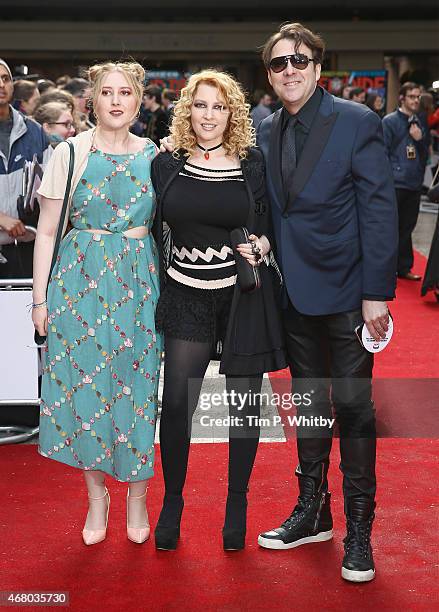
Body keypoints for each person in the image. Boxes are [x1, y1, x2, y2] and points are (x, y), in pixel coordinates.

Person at [255, 23, 397, 583]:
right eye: (278, 63)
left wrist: (376, 295)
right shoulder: (264, 130)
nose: (289, 69)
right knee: (310, 407)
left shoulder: (357, 122)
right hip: (292, 294)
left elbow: (379, 209)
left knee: (356, 410)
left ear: (318, 68)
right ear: (269, 75)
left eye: (299, 60)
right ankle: (313, 512)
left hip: (347, 294)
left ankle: (360, 531)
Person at [151, 69, 286, 552]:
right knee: (177, 404)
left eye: (220, 106)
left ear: (234, 114)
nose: (210, 115)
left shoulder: (252, 163)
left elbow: (269, 221)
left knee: (243, 407)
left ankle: (237, 505)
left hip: (241, 296)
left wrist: (264, 243)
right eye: (201, 105)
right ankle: (171, 502)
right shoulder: (166, 162)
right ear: (188, 109)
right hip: (186, 292)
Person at [32, 61, 162, 546]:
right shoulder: (69, 153)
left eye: (124, 92)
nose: (115, 101)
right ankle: (96, 499)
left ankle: (136, 496)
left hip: (138, 286)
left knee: (138, 391)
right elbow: (46, 232)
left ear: (137, 99)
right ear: (91, 100)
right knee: (84, 393)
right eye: (105, 92)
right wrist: (39, 301)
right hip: (78, 284)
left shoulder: (155, 154)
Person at [0, 59, 51, 279]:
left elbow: (51, 189)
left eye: (5, 78)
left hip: (28, 249)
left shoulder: (34, 132)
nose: (1, 85)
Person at [382, 82, 430, 280]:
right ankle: (388, 267)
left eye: (418, 97)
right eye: (412, 96)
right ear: (402, 98)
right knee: (391, 226)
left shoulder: (419, 121)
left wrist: (419, 139)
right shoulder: (390, 121)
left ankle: (403, 267)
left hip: (414, 181)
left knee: (408, 226)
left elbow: (426, 153)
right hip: (395, 182)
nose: (416, 100)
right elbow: (382, 152)